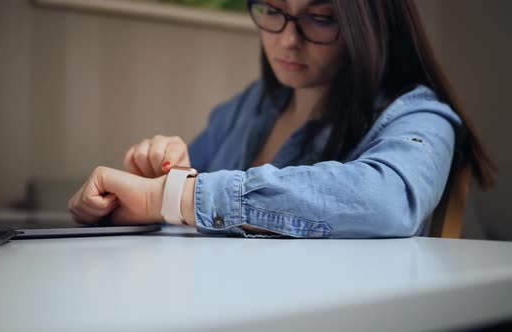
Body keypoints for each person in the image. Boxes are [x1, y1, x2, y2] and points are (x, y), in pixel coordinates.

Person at [68, 0, 496, 238]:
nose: (288, 39)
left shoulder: (420, 116)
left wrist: (169, 196)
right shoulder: (249, 107)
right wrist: (152, 183)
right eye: (273, 10)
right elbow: (173, 191)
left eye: (321, 18)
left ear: (369, 25)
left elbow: (389, 200)